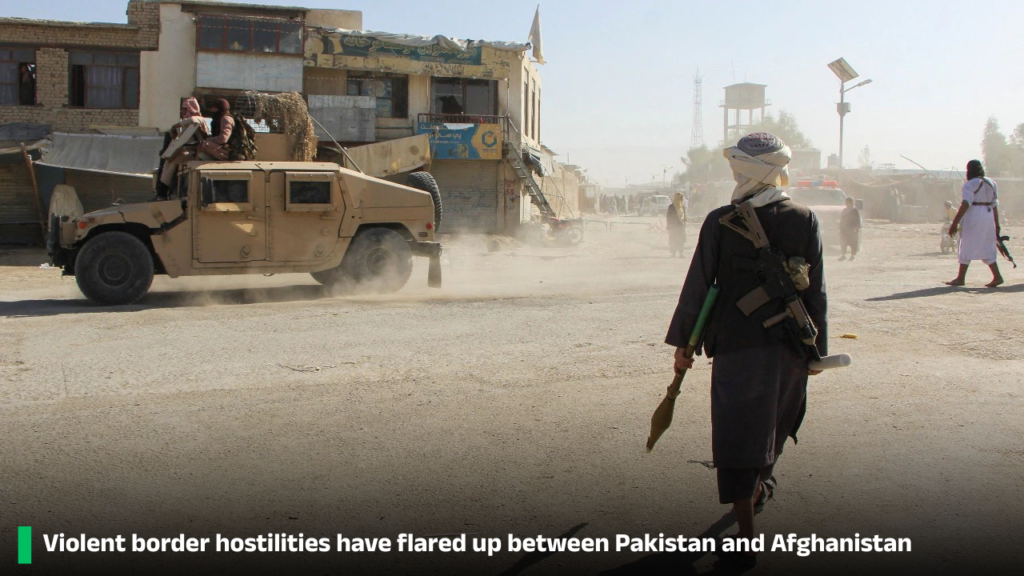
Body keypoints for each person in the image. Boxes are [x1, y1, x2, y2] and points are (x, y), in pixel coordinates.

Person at [665, 133, 827, 567]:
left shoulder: (720, 221)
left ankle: (748, 521)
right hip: (789, 349)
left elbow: (698, 285)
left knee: (739, 438)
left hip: (737, 347)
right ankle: (756, 494)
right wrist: (816, 352)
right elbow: (817, 294)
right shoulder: (804, 218)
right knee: (771, 428)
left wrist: (684, 344)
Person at [946, 160, 1003, 287]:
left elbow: (966, 204)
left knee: (966, 244)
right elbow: (994, 206)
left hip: (974, 216)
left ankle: (961, 278)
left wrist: (955, 223)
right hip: (988, 217)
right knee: (987, 246)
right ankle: (997, 276)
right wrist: (997, 224)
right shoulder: (992, 183)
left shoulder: (970, 184)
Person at [157, 97, 211, 196]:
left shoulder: (198, 119)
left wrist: (175, 126)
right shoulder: (187, 123)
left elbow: (193, 120)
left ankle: (165, 191)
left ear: (191, 109)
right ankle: (162, 190)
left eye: (185, 109)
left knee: (174, 163)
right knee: (167, 162)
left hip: (196, 151)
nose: (182, 111)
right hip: (187, 149)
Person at [838, 197, 862, 261]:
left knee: (853, 243)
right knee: (843, 243)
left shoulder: (855, 211)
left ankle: (852, 256)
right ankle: (843, 255)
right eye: (846, 202)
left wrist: (857, 229)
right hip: (844, 230)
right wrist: (840, 228)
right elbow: (842, 220)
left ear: (851, 203)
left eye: (847, 202)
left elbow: (857, 220)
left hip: (852, 229)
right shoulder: (844, 210)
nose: (846, 203)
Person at [666, 191, 687, 257]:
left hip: (681, 226)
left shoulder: (682, 207)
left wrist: (685, 223)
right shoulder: (671, 207)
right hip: (674, 226)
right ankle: (673, 253)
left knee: (681, 240)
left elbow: (684, 216)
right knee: (673, 239)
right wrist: (668, 225)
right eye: (680, 198)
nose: (681, 199)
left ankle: (680, 253)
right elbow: (669, 216)